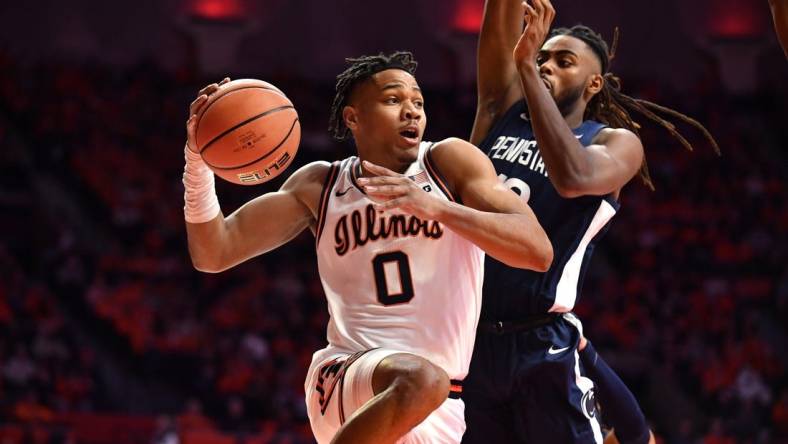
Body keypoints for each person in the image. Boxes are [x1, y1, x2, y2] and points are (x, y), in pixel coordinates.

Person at [182, 51, 553, 444]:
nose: (411, 111)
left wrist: (437, 208)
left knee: (428, 383)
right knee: (424, 379)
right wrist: (196, 163)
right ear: (353, 118)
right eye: (394, 100)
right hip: (346, 376)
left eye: (418, 102)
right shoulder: (321, 186)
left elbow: (536, 250)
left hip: (438, 405)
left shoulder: (449, 162)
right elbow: (214, 252)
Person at [462, 1, 719, 443]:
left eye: (564, 62)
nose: (546, 64)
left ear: (593, 83)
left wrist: (526, 66)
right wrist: (523, 58)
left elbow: (573, 177)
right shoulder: (498, 111)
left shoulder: (614, 142)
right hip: (467, 341)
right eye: (543, 56)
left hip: (538, 344)